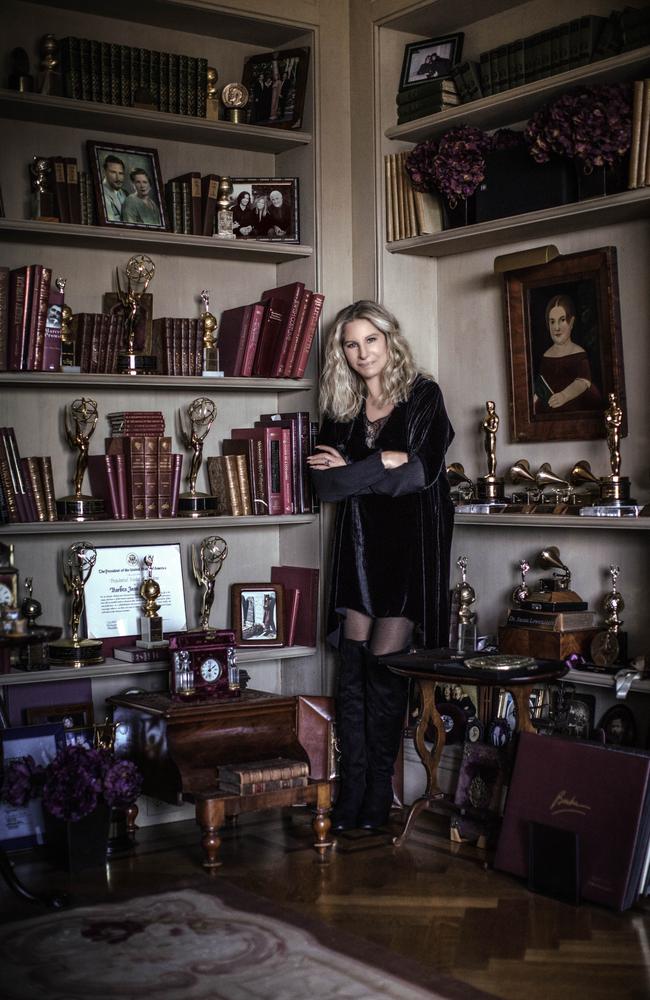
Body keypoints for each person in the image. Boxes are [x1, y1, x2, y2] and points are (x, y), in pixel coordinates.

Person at [307, 300, 454, 832]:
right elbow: (325, 487)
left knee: (385, 674)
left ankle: (379, 796)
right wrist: (380, 464)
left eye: (371, 339)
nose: (362, 352)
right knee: (352, 674)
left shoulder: (422, 396)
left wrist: (356, 469)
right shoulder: (343, 406)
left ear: (389, 340)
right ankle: (353, 792)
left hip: (408, 549)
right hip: (358, 548)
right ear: (341, 353)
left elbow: (420, 475)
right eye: (351, 343)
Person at [533, 294, 602, 414]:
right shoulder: (546, 355)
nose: (557, 327)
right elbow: (541, 388)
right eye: (552, 322)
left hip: (576, 407)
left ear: (571, 322)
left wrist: (564, 396)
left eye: (562, 320)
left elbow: (583, 381)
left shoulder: (579, 353)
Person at [101, 154, 127, 222]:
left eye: (121, 173)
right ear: (104, 172)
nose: (118, 178)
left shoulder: (125, 194)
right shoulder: (100, 193)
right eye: (113, 172)